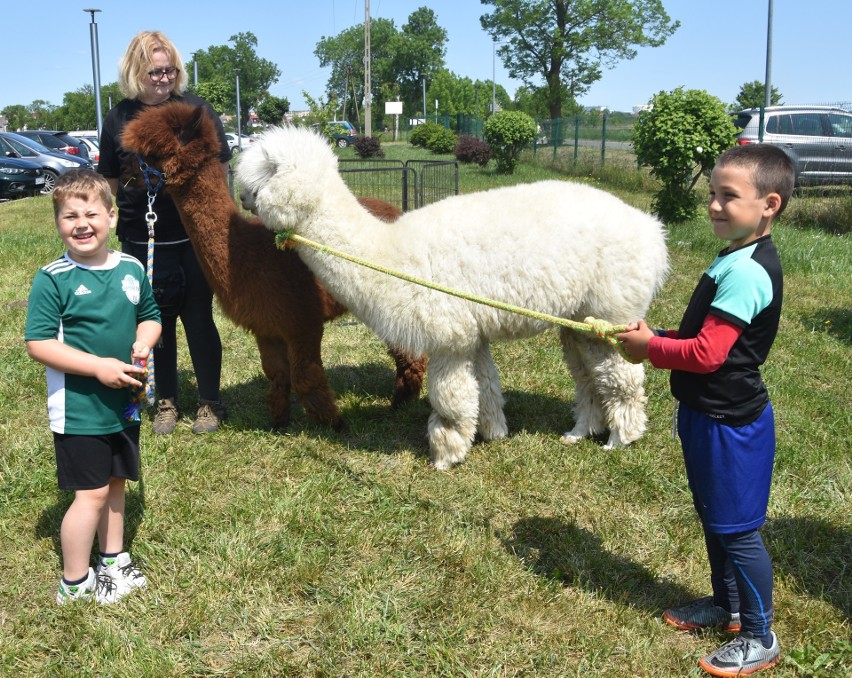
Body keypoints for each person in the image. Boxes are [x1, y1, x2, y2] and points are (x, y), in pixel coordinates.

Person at [617, 144, 794, 676]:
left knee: (738, 530)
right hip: (704, 414)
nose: (714, 205)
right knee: (716, 519)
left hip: (730, 425)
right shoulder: (734, 256)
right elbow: (698, 338)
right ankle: (727, 605)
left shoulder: (748, 272)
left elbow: (706, 354)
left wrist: (650, 350)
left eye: (728, 197)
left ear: (769, 205)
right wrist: (658, 335)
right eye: (712, 194)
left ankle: (760, 636)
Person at [25, 170, 162, 604]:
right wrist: (97, 366)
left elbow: (151, 314)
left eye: (91, 213)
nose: (81, 224)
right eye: (69, 216)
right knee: (92, 491)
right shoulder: (53, 278)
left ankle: (114, 559)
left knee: (116, 481)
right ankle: (75, 581)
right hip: (79, 407)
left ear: (111, 216)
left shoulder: (130, 267)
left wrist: (144, 339)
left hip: (124, 402)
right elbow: (39, 343)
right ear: (58, 224)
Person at [98, 30, 232, 435]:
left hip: (190, 235)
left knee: (197, 314)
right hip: (142, 236)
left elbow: (220, 169)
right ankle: (167, 401)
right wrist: (111, 218)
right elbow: (108, 177)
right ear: (137, 71)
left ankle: (210, 401)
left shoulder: (195, 111)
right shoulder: (120, 116)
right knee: (156, 321)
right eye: (156, 71)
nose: (164, 78)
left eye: (170, 70)